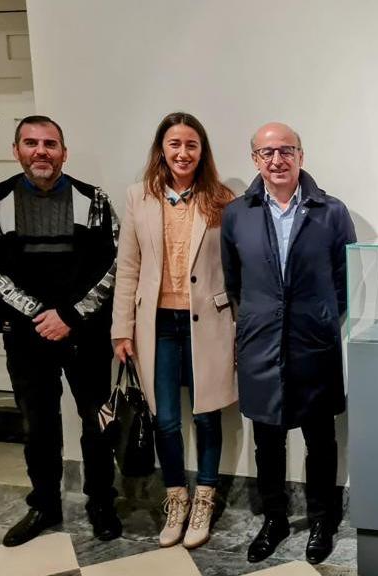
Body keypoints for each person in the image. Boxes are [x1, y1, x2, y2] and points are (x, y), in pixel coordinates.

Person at [0, 115, 121, 546]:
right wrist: (37, 313)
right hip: (25, 336)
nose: (41, 151)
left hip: (86, 335)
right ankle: (45, 505)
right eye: (31, 142)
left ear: (63, 153)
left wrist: (69, 315)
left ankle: (101, 502)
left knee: (98, 423)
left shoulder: (94, 200)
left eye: (50, 144)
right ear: (16, 150)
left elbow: (116, 265)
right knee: (38, 426)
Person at [221, 122, 356, 564]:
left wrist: (321, 318)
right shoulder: (237, 214)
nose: (277, 160)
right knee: (268, 441)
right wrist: (257, 321)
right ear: (255, 159)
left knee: (321, 439)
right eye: (267, 153)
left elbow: (347, 278)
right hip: (260, 344)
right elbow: (234, 280)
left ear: (301, 155)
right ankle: (274, 520)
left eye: (286, 150)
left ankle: (322, 520)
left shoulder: (331, 212)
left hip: (313, 343)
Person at [112, 112, 237, 548]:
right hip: (157, 324)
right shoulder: (139, 197)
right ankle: (176, 498)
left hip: (210, 321)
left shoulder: (222, 199)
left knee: (206, 413)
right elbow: (128, 266)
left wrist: (240, 328)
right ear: (162, 149)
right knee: (164, 418)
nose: (183, 153)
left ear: (202, 151)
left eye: (191, 145)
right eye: (175, 144)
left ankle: (205, 498)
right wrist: (121, 329)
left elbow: (233, 268)